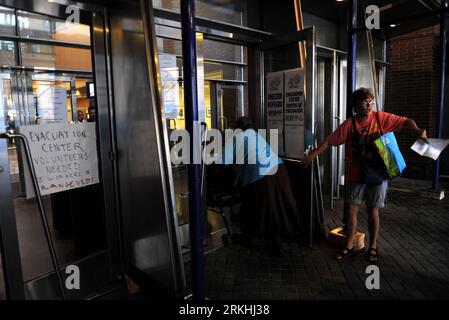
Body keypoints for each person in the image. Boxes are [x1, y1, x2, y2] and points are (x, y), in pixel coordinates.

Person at [304, 88, 427, 262]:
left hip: (378, 174)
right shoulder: (349, 124)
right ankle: (349, 245)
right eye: (365, 101)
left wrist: (417, 130)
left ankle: (373, 247)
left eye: (371, 101)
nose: (369, 105)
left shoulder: (380, 118)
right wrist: (312, 155)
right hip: (356, 174)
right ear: (355, 105)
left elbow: (406, 121)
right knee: (351, 210)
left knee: (373, 211)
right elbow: (329, 141)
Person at [221, 116, 303, 256]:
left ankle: (270, 239)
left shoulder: (237, 138)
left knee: (264, 206)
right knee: (278, 205)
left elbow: (223, 160)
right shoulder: (256, 135)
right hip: (279, 169)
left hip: (260, 173)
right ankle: (284, 236)